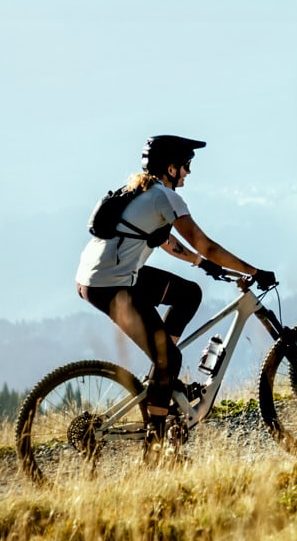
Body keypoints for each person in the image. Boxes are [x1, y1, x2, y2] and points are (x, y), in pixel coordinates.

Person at [75, 134, 276, 425]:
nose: (189, 172)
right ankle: (158, 440)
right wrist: (253, 271)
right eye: (186, 165)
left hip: (102, 276)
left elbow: (165, 240)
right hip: (111, 284)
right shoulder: (165, 197)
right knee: (169, 359)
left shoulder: (141, 191)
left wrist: (200, 263)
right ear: (171, 169)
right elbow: (205, 244)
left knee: (188, 293)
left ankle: (161, 380)